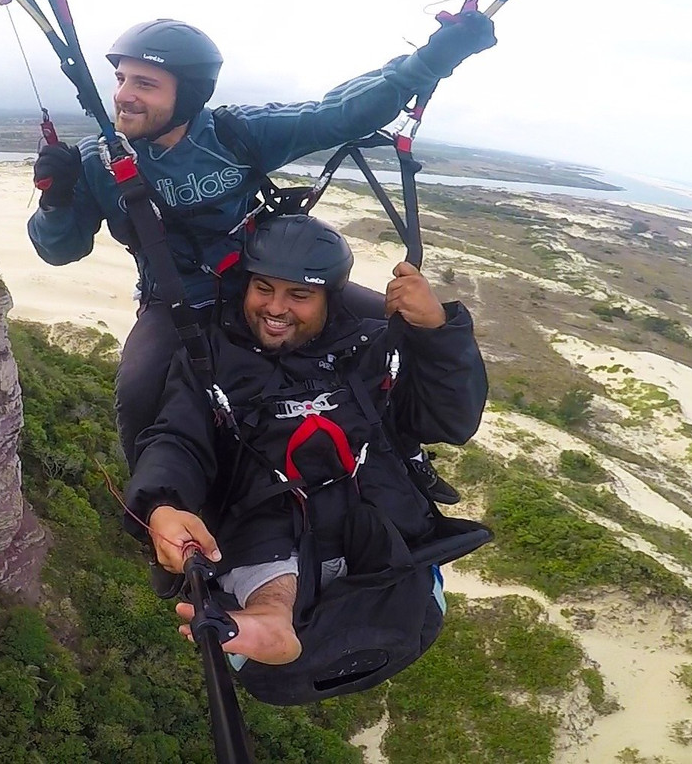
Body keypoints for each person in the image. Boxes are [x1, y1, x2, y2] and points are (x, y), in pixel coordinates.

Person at [27, 14, 496, 482]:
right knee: (139, 393)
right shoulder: (98, 161)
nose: (124, 94)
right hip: (175, 303)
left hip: (265, 286)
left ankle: (402, 450)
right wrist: (55, 200)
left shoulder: (233, 135)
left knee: (405, 329)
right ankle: (163, 511)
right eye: (122, 79)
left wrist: (434, 58)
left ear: (187, 94)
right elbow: (61, 250)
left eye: (145, 83)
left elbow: (339, 114)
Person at [122, 215, 488, 665]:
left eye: (299, 295)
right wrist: (162, 502)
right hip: (269, 523)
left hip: (371, 514)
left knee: (380, 513)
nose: (276, 308)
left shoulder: (368, 348)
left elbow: (448, 422)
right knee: (268, 542)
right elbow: (179, 436)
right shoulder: (211, 359)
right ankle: (272, 617)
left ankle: (368, 599)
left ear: (329, 300)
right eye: (264, 289)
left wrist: (438, 334)